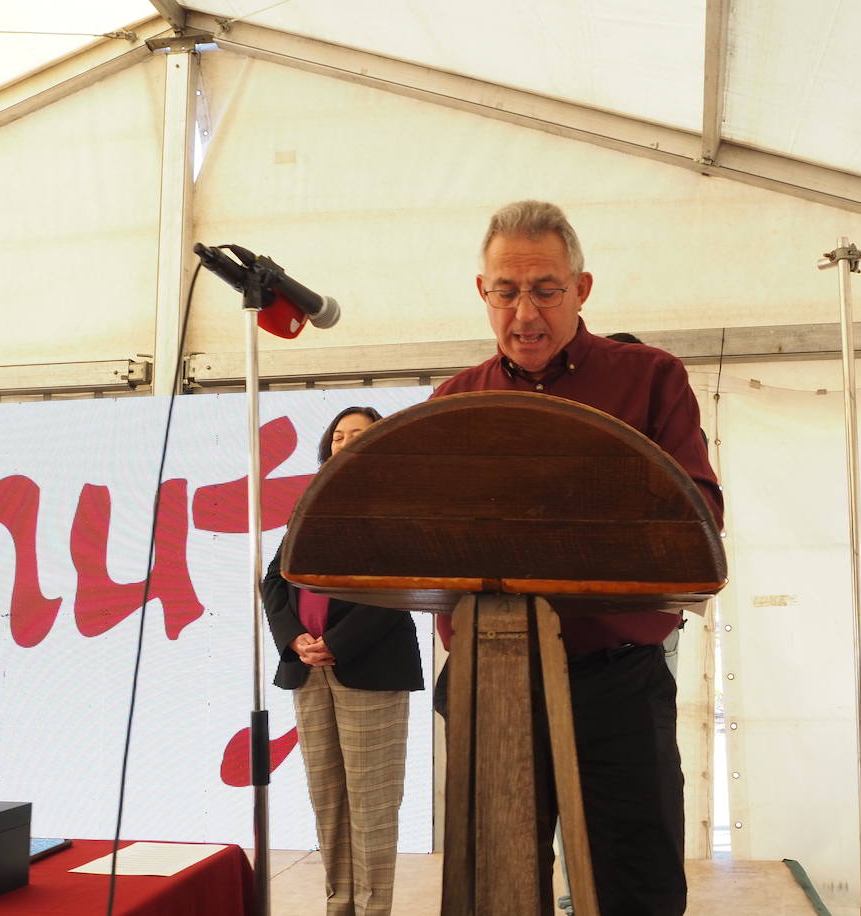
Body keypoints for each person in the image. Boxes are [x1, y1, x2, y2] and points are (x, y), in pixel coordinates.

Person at [432, 200, 724, 916]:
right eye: (506, 291)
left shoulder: (649, 380)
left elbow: (700, 522)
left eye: (545, 289)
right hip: (490, 682)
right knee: (493, 893)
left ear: (582, 289)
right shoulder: (454, 402)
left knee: (637, 888)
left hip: (615, 685)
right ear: (482, 292)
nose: (524, 313)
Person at [262, 406, 424, 916]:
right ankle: (340, 903)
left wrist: (338, 641)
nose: (345, 443)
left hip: (368, 667)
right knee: (329, 799)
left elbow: (399, 584)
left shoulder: (398, 507)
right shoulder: (311, 503)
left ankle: (374, 909)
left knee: (372, 803)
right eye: (338, 436)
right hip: (306, 668)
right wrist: (294, 640)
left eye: (359, 434)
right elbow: (275, 579)